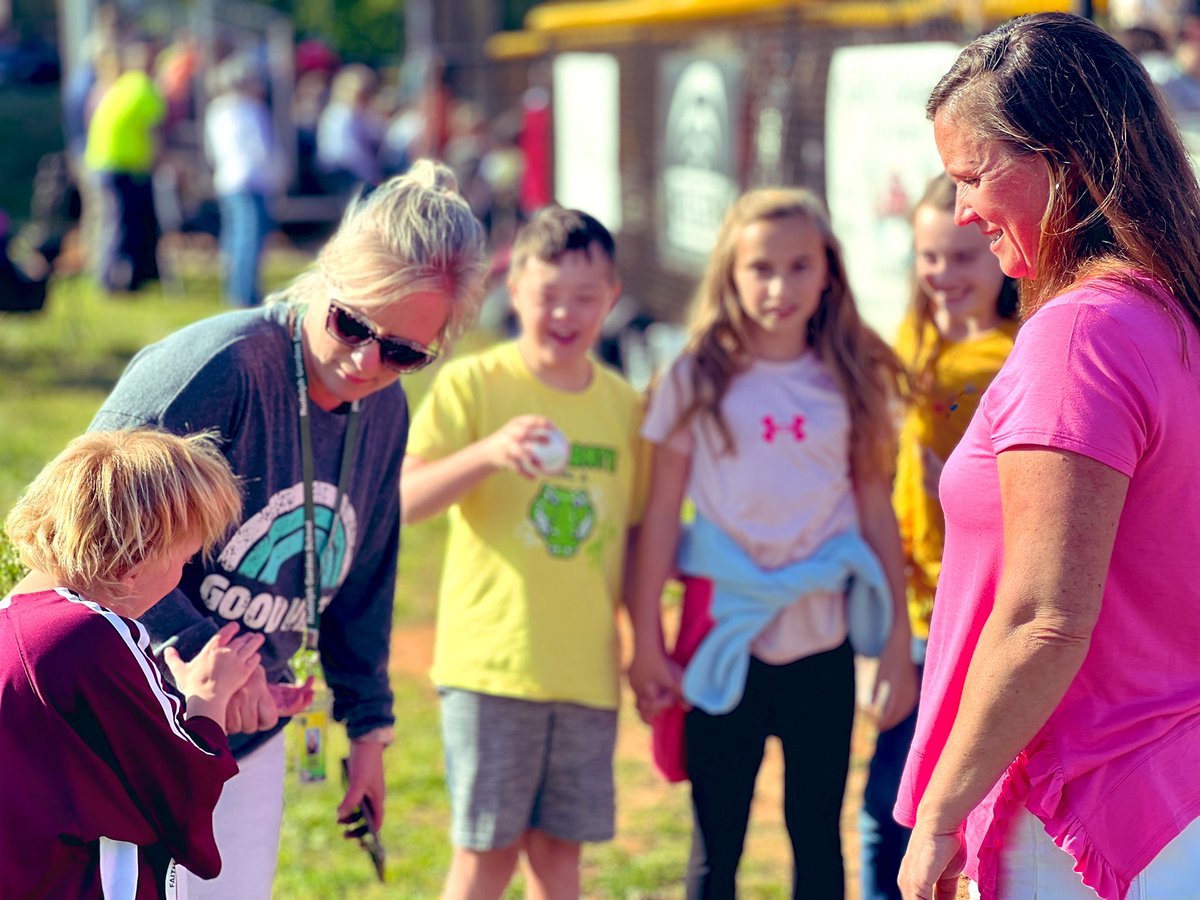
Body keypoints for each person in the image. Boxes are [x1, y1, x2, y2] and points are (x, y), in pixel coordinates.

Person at [87, 160, 487, 899]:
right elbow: (83, 535)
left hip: (251, 728)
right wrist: (207, 650)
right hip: (128, 721)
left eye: (404, 353)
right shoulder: (221, 368)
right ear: (327, 274)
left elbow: (366, 577)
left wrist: (368, 732)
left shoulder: (385, 412)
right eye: (352, 323)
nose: (369, 361)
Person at [896, 13, 1200, 900]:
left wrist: (941, 817)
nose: (962, 211)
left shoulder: (1082, 333)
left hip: (1083, 818)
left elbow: (1043, 620)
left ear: (1063, 162)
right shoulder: (1169, 317)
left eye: (975, 176)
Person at [627, 187, 919, 899]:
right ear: (729, 272)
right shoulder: (695, 377)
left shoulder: (851, 380)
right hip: (725, 639)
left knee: (817, 835)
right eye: (760, 268)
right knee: (715, 843)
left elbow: (877, 514)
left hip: (821, 649)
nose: (778, 286)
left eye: (798, 267)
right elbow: (662, 515)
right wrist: (644, 640)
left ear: (828, 273)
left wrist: (895, 647)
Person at [400, 206, 647, 900]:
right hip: (493, 669)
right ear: (515, 293)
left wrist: (645, 647)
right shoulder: (475, 385)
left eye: (585, 298)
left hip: (586, 673)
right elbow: (404, 501)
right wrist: (488, 452)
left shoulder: (624, 407)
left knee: (559, 861)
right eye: (547, 296)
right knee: (486, 856)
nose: (565, 314)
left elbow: (632, 539)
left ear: (613, 299)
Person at [1, 428, 264, 898]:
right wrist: (209, 695)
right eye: (184, 558)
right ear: (136, 559)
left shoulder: (13, 619)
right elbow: (185, 786)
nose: (180, 577)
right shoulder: (91, 631)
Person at [858, 174, 1018, 900]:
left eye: (962, 257)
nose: (944, 275)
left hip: (976, 613)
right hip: (910, 603)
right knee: (885, 799)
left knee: (947, 800)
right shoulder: (910, 340)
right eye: (929, 258)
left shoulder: (1019, 351)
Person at [83, 40, 165, 293]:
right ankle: (114, 282)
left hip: (102, 161)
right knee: (122, 224)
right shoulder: (143, 87)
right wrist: (159, 160)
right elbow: (154, 130)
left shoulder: (121, 85)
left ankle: (112, 277)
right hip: (123, 165)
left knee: (114, 222)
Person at [204, 54, 282, 307]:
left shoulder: (216, 110)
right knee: (251, 240)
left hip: (227, 179)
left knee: (234, 239)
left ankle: (235, 290)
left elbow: (212, 150)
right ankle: (247, 293)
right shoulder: (251, 109)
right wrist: (276, 177)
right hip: (252, 179)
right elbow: (262, 148)